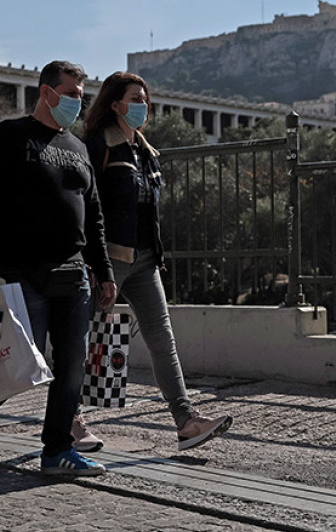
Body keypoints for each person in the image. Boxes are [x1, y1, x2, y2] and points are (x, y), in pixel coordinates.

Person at [0, 60, 118, 476]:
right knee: (20, 365)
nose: (78, 102)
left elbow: (95, 218)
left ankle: (57, 450)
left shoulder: (78, 148)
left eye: (81, 95)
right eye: (71, 94)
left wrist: (104, 272)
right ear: (46, 92)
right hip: (20, 271)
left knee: (71, 367)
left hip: (73, 274)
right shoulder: (7, 137)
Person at [77, 71, 232, 453]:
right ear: (115, 104)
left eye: (145, 99)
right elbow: (84, 205)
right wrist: (93, 263)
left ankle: (186, 422)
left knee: (163, 340)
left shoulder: (144, 151)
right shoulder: (98, 145)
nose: (142, 106)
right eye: (135, 99)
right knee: (83, 341)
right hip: (109, 259)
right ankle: (70, 420)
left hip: (145, 261)